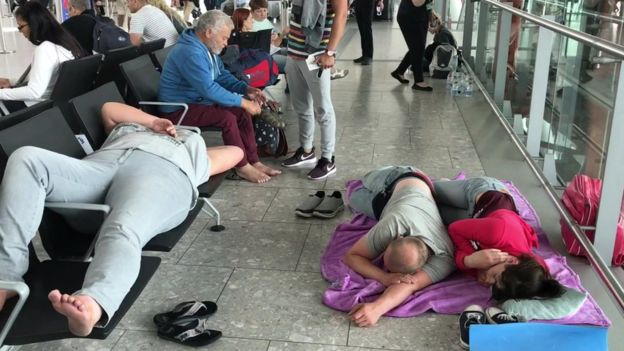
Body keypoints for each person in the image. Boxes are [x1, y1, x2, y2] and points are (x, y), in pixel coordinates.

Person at [0, 102, 243, 336]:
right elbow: (109, 108)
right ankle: (5, 279)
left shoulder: (192, 146)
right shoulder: (130, 127)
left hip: (161, 175)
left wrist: (188, 141)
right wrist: (155, 122)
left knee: (124, 227)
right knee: (27, 158)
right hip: (100, 167)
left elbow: (235, 151)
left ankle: (94, 302)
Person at [159, 10, 281, 183]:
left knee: (240, 113)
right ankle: (242, 167)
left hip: (197, 102)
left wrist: (245, 88)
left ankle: (254, 161)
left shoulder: (205, 47)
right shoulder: (190, 52)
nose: (226, 43)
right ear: (209, 32)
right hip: (178, 109)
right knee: (227, 118)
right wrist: (243, 102)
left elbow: (221, 75)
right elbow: (209, 89)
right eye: (224, 38)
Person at [343, 166, 456, 327]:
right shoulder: (393, 224)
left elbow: (411, 284)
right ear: (396, 237)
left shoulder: (446, 256)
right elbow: (351, 256)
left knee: (355, 197)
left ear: (417, 269)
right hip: (400, 177)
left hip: (403, 197)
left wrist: (376, 309)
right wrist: (384, 277)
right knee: (363, 181)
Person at [433, 177, 565, 301]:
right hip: (484, 192)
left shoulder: (534, 273)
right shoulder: (498, 233)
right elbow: (454, 229)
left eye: (493, 285)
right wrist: (471, 260)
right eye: (496, 278)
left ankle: (449, 191)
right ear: (512, 261)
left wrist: (472, 264)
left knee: (433, 211)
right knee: (427, 189)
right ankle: (447, 184)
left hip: (477, 216)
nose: (489, 281)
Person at [281, 0, 348, 180]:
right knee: (301, 106)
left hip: (315, 55)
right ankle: (306, 150)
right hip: (294, 51)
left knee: (323, 109)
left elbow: (342, 14)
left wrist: (330, 53)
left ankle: (327, 159)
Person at [0, 2, 87, 113]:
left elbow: (34, 92)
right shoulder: (66, 44)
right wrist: (11, 82)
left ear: (33, 24)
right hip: (55, 106)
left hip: (37, 108)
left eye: (21, 26)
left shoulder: (46, 48)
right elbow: (43, 78)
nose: (20, 31)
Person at [391, 0, 433, 91]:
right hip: (409, 16)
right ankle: (418, 81)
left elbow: (428, 4)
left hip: (420, 15)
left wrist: (430, 14)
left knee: (417, 47)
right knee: (417, 48)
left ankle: (399, 72)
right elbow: (416, 2)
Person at [352, 0, 383, 65]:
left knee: (366, 28)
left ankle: (368, 56)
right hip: (358, 2)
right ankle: (364, 55)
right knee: (362, 29)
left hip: (368, 2)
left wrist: (381, 1)